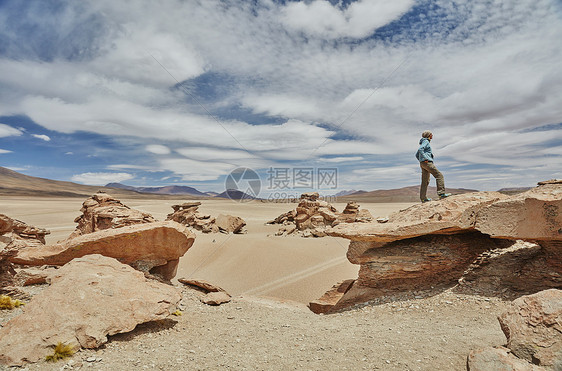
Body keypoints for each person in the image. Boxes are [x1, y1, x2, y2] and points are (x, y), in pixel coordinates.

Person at [415, 130, 451, 202]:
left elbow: (416, 154)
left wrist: (421, 160)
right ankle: (441, 194)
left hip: (423, 164)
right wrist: (425, 158)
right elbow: (420, 149)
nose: (432, 135)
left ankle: (423, 198)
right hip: (427, 162)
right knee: (439, 175)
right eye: (431, 134)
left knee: (425, 181)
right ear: (429, 135)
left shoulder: (423, 142)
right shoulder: (426, 141)